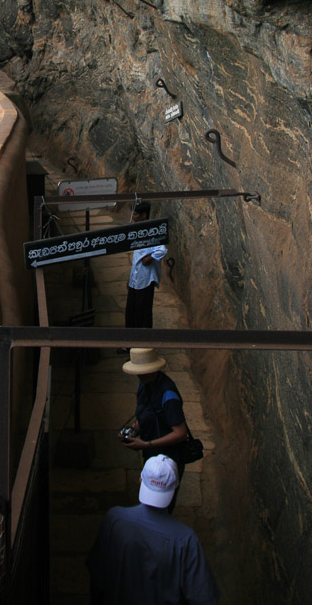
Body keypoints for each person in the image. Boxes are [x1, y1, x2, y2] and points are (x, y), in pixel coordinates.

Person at [86, 455, 220, 604]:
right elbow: (203, 598)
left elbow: (97, 577)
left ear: (141, 480)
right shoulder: (185, 540)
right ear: (175, 488)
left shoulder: (114, 520)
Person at [119, 347, 189, 506]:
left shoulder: (168, 394)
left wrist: (146, 444)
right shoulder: (144, 385)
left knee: (163, 501)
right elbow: (147, 416)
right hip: (152, 451)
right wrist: (134, 430)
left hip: (169, 456)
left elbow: (180, 433)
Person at [125, 200, 168, 330]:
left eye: (136, 214)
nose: (133, 217)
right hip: (136, 279)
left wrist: (150, 258)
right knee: (131, 311)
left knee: (142, 313)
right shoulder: (138, 231)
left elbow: (162, 249)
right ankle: (130, 342)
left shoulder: (151, 230)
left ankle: (143, 343)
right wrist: (131, 278)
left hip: (146, 279)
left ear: (144, 215)